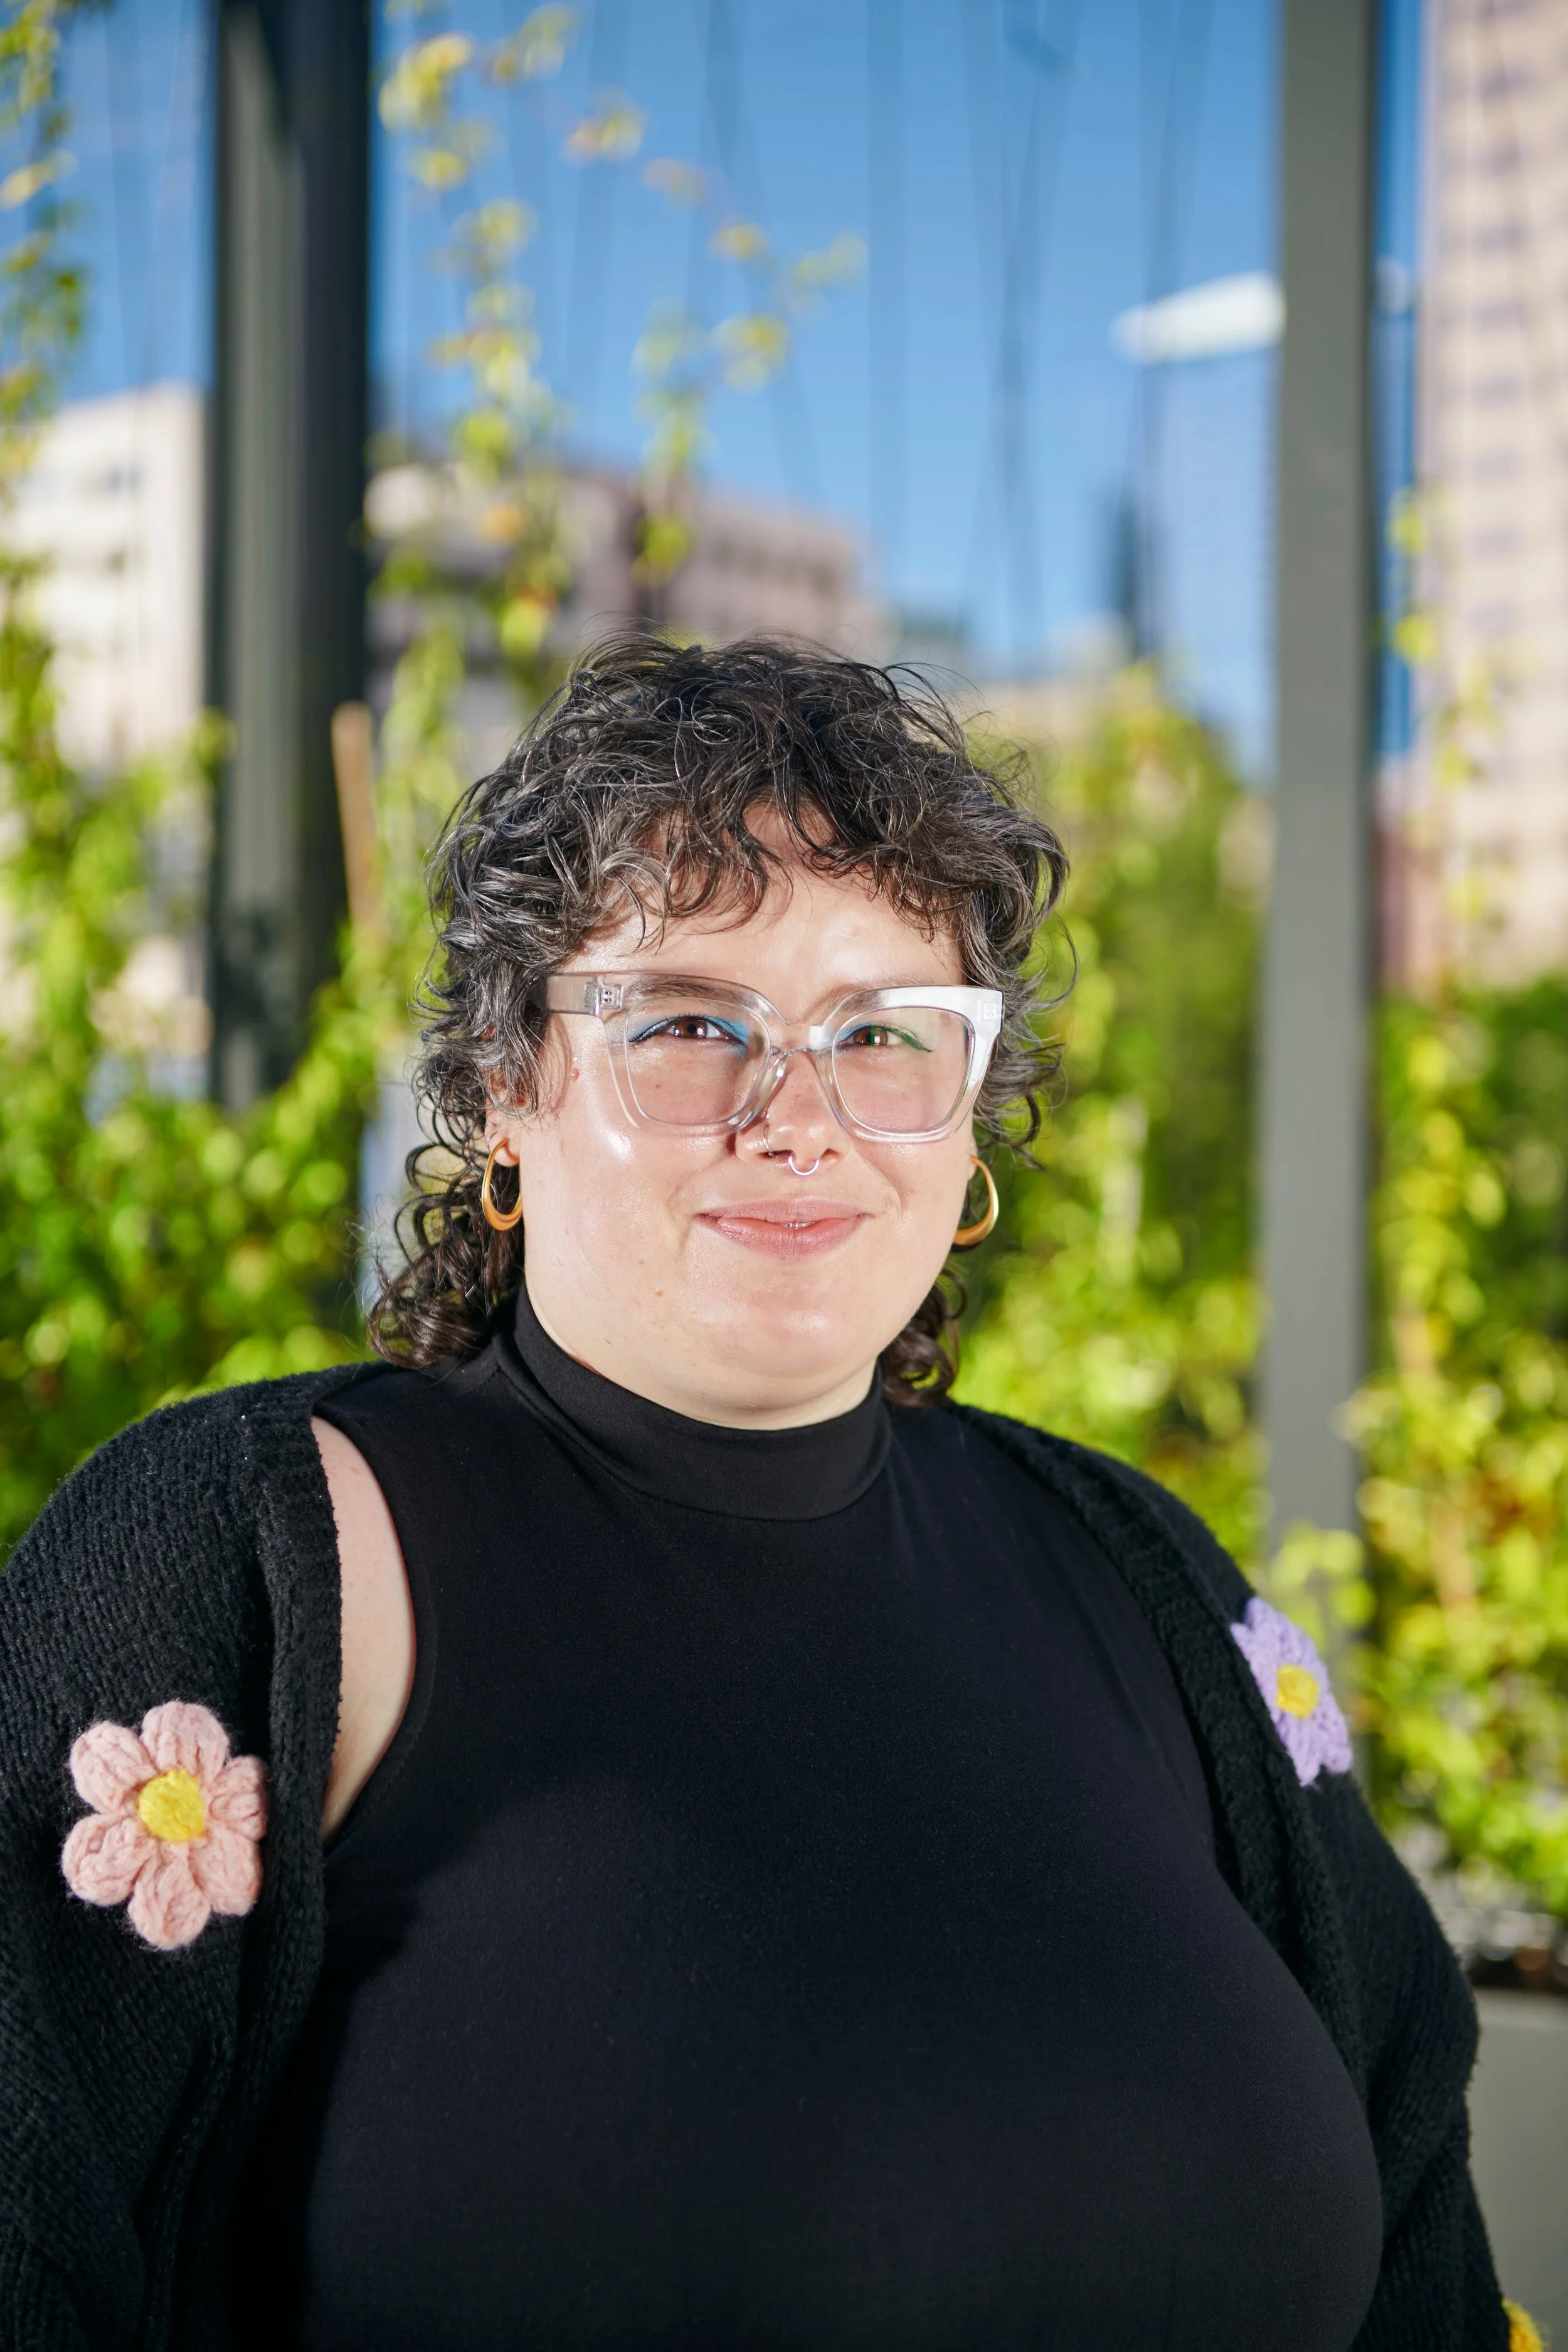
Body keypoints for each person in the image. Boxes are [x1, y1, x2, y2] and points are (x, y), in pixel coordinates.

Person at [0, 638, 1531, 2352]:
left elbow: (1422, 2255)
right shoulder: (255, 1562)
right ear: (503, 1088)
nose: (799, 1117)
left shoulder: (1150, 1584)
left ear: (969, 1115)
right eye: (687, 1025)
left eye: (881, 1033)